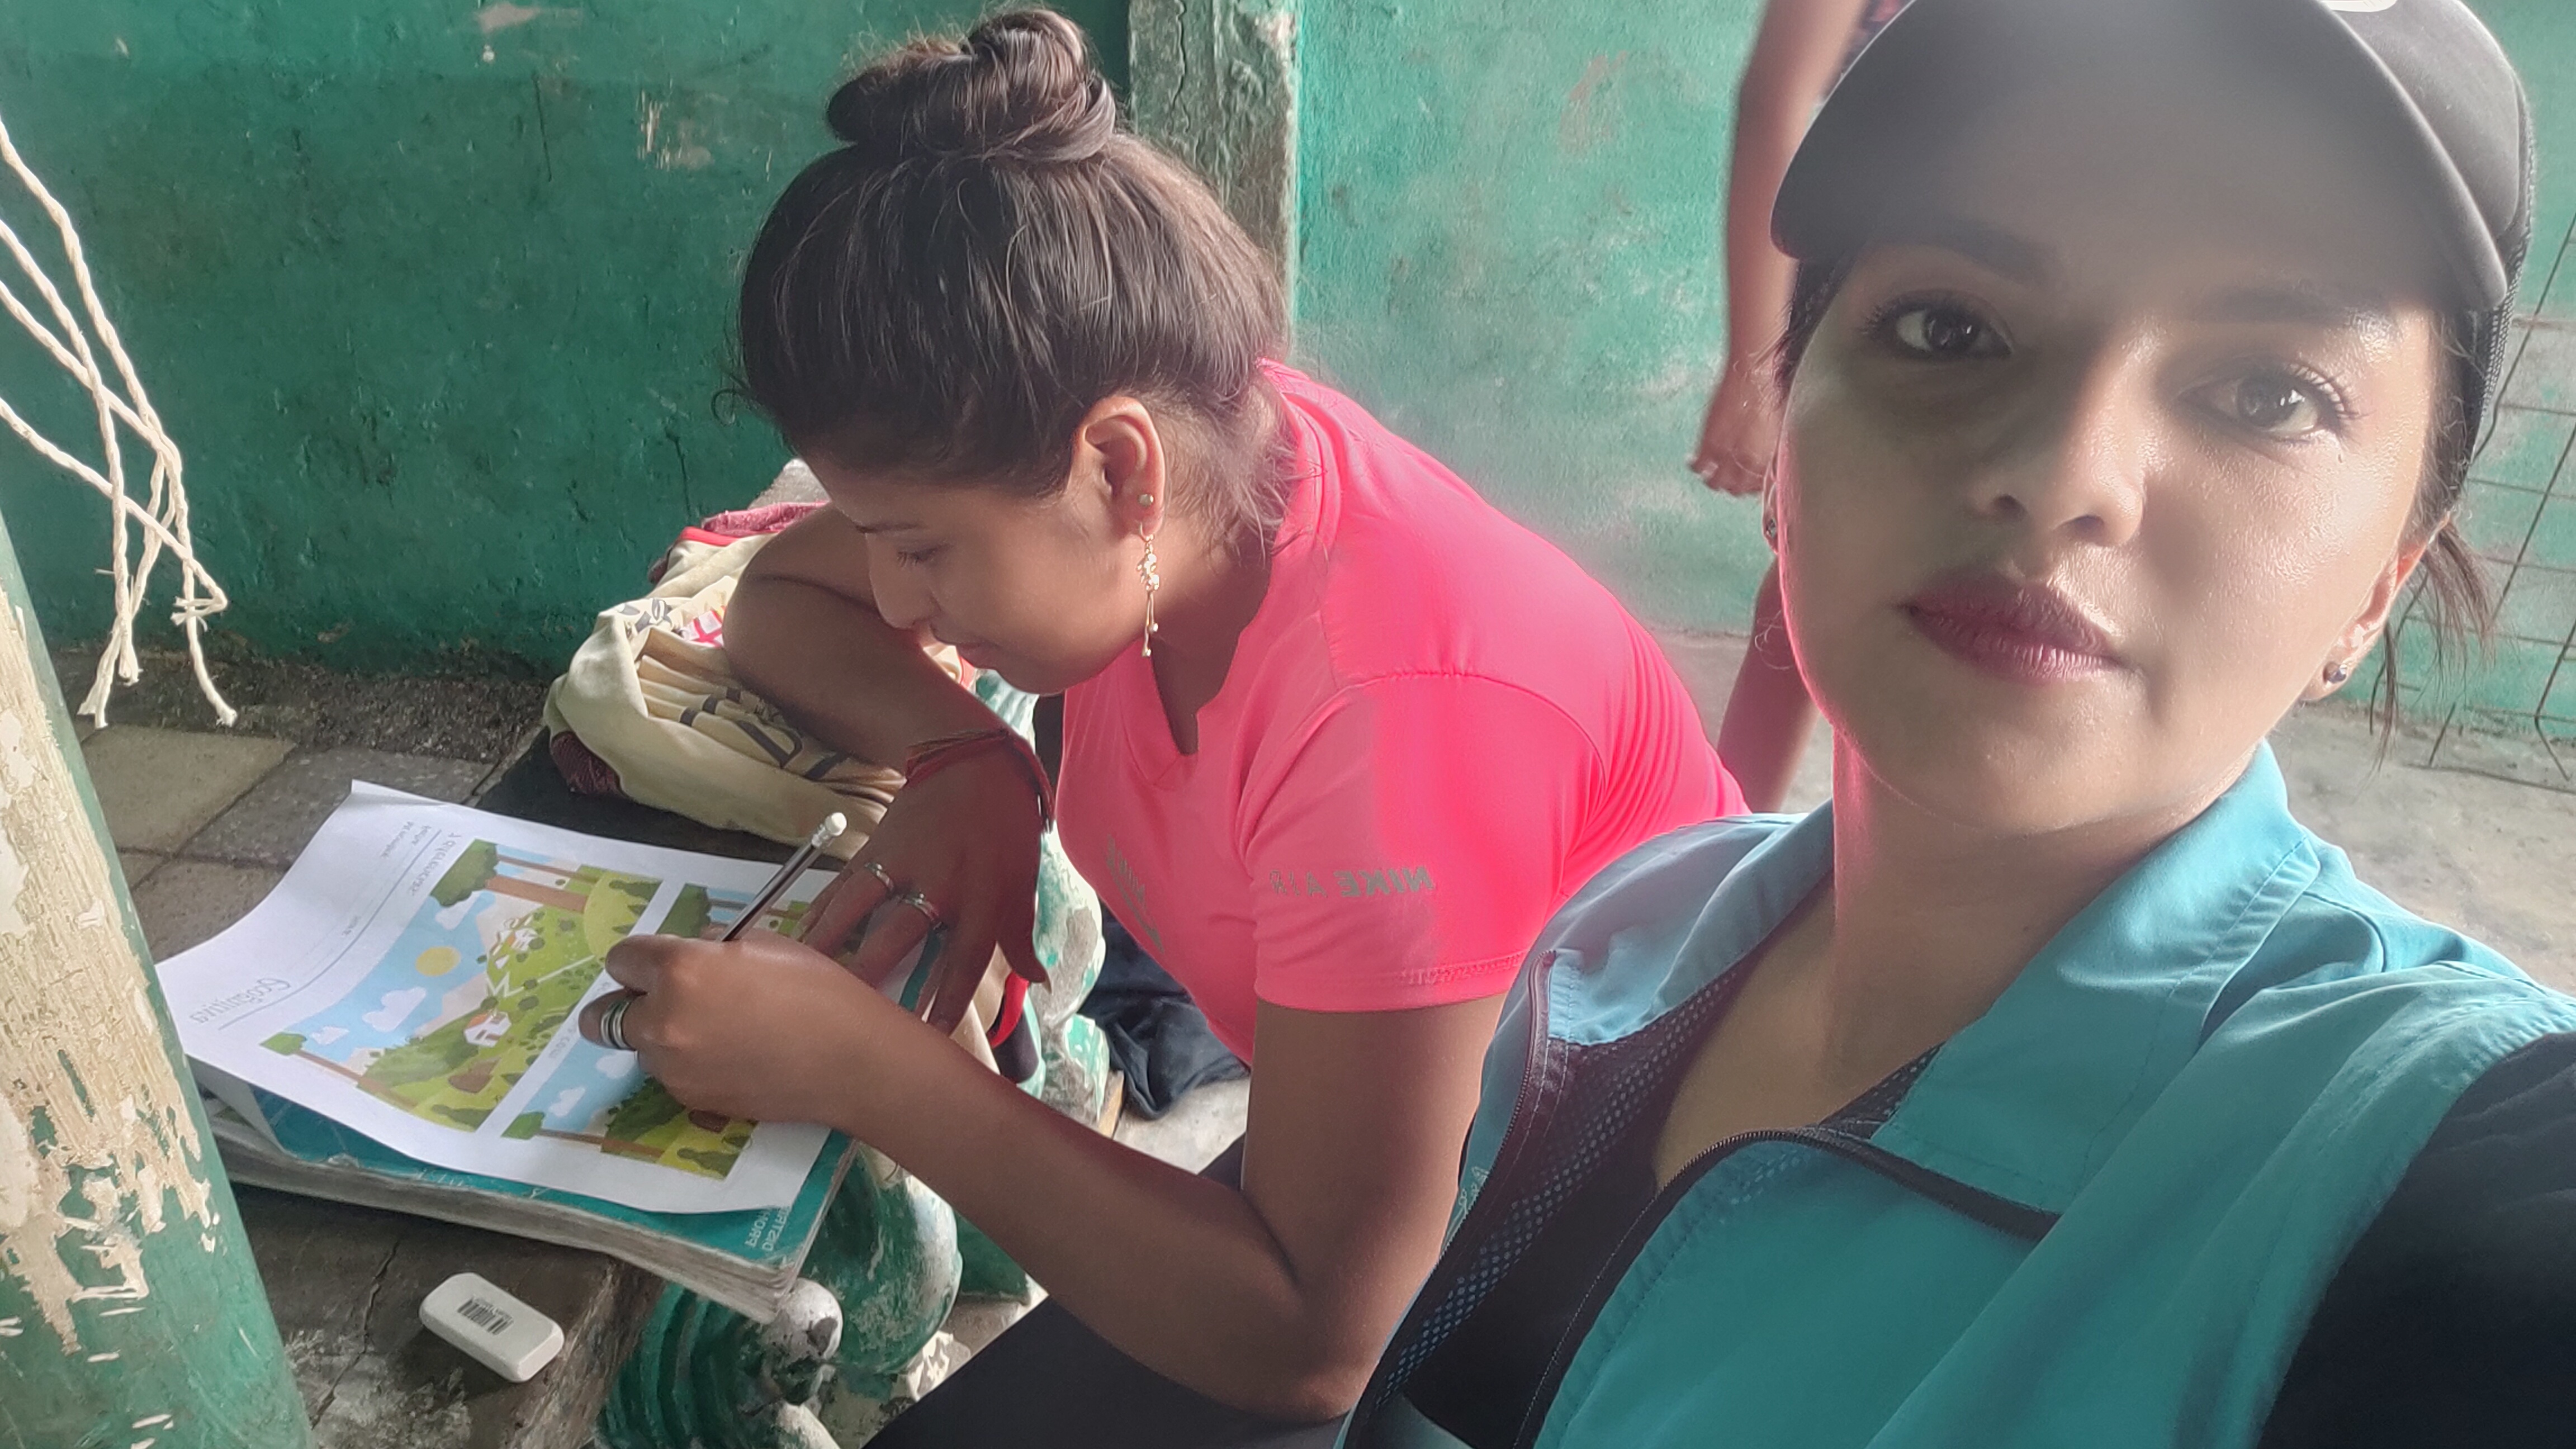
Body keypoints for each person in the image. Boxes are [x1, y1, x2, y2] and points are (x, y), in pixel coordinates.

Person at [1342, 0, 2576, 1445]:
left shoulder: (2412, 1155)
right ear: (1785, 423)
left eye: (2266, 392)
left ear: (2382, 582)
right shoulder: (1623, 941)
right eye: (1950, 327)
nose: (2066, 475)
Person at [576, 8, 1744, 1426]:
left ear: (1119, 469)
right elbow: (779, 603)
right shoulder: (1209, 458)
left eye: (922, 547)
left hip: (1608, 1286)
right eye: (877, 535)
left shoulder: (1390, 721)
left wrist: (867, 1069)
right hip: (1388, 1169)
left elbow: (1322, 1341)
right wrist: (965, 753)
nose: (892, 597)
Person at [1696, 0, 1912, 811]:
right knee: (1812, 578)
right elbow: (1776, 101)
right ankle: (1725, 830)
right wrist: (1754, 370)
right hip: (1892, 292)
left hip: (2038, 294)